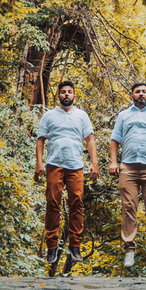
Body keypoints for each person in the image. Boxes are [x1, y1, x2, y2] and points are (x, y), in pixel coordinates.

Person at [35, 81, 98, 263]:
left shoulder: (82, 116)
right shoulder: (49, 116)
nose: (67, 95)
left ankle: (75, 246)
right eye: (63, 92)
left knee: (76, 203)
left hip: (75, 166)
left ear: (74, 96)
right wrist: (39, 164)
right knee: (52, 203)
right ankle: (52, 247)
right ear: (59, 96)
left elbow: (90, 140)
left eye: (70, 92)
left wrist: (94, 164)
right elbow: (40, 141)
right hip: (54, 164)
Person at [108, 82, 146, 268]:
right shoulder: (124, 115)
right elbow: (115, 140)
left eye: (144, 91)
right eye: (138, 92)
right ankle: (130, 251)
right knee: (129, 209)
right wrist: (113, 162)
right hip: (128, 168)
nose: (141, 94)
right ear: (132, 95)